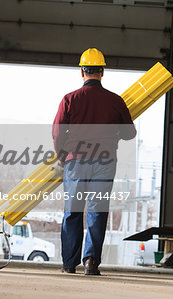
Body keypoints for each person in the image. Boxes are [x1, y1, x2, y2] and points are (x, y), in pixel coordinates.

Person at [53, 48, 136, 275]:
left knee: (73, 211)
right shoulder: (115, 101)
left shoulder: (69, 99)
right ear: (102, 72)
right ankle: (91, 262)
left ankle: (69, 264)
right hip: (104, 162)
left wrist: (63, 155)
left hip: (76, 162)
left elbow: (58, 131)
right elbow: (130, 133)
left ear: (82, 72)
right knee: (97, 211)